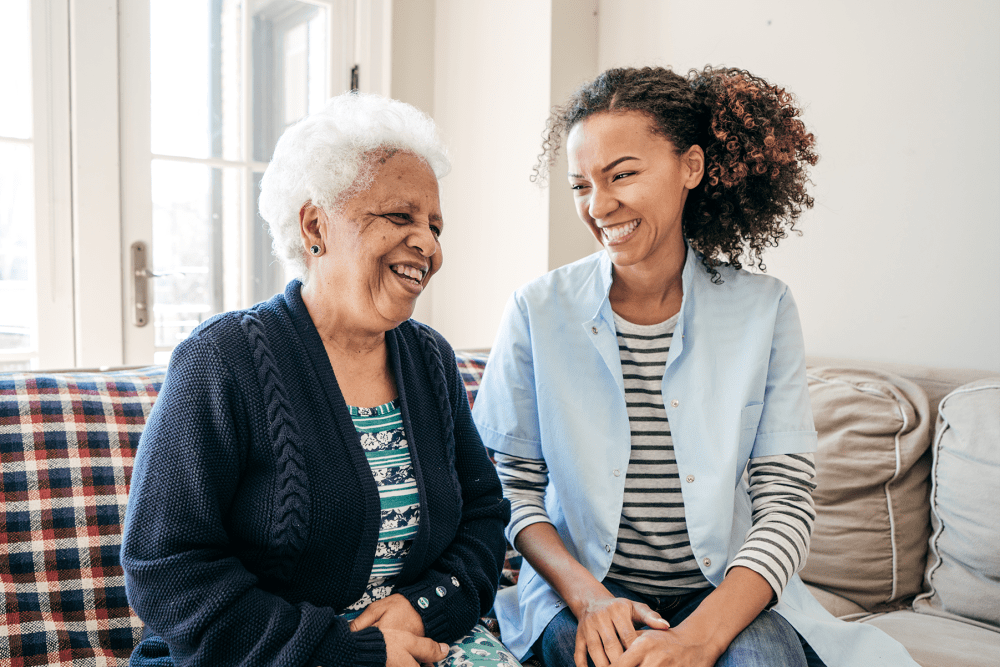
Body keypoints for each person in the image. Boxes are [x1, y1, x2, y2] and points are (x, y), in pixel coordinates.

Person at [472, 67, 919, 667]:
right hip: (585, 595)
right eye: (581, 185)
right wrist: (588, 599)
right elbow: (510, 488)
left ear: (691, 167)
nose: (599, 206)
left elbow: (785, 501)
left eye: (623, 174)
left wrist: (700, 638)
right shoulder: (537, 310)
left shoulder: (766, 309)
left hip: (725, 595)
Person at [121, 92, 520, 667]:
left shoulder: (430, 359)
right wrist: (348, 651)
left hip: (421, 644)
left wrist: (421, 608)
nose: (429, 245)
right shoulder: (222, 360)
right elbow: (168, 569)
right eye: (400, 216)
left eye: (435, 225)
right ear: (316, 225)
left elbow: (483, 514)